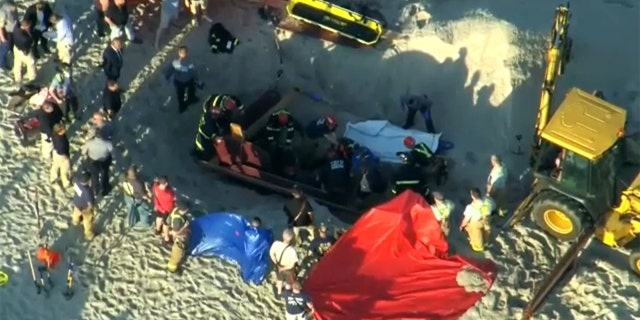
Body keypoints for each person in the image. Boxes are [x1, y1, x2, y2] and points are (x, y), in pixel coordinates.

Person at [163, 46, 201, 113]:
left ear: (179, 53)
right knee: (192, 89)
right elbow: (194, 73)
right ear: (187, 53)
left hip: (178, 82)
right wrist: (197, 80)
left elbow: (169, 71)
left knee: (180, 95)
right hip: (188, 80)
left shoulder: (175, 62)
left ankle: (182, 106)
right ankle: (191, 99)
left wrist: (167, 76)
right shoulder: (190, 63)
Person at [459, 188, 495, 252]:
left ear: (472, 196)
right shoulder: (488, 200)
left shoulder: (470, 207)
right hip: (487, 220)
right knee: (486, 231)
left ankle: (478, 246)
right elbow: (494, 207)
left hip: (477, 223)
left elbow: (466, 219)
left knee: (470, 227)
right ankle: (486, 241)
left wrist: (462, 226)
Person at [82, 127, 114, 196]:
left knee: (94, 175)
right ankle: (105, 189)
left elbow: (83, 152)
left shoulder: (89, 143)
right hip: (104, 161)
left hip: (93, 161)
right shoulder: (108, 143)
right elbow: (112, 152)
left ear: (95, 135)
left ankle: (95, 190)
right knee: (104, 175)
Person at [269, 228, 298, 297]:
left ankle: (279, 293)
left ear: (283, 235)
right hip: (288, 269)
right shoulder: (292, 250)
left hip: (279, 266)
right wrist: (284, 268)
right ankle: (287, 294)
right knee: (288, 283)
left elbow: (271, 254)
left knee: (279, 279)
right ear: (291, 238)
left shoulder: (276, 244)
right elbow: (292, 265)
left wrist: (277, 264)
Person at [167, 201, 191, 273]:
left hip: (180, 236)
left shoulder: (176, 210)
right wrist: (184, 226)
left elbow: (168, 221)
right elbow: (175, 233)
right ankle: (172, 269)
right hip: (179, 239)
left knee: (180, 252)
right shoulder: (177, 221)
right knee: (177, 254)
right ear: (184, 210)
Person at [71, 171, 96, 241]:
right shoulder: (88, 191)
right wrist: (89, 209)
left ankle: (75, 221)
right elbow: (90, 204)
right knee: (87, 220)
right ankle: (89, 234)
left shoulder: (77, 181)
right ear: (88, 181)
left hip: (77, 202)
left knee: (76, 213)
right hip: (84, 207)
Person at [152, 176, 176, 243]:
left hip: (159, 207)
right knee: (166, 224)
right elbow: (174, 199)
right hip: (167, 210)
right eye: (166, 183)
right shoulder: (168, 195)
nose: (167, 184)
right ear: (165, 184)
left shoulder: (155, 187)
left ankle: (157, 230)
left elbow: (154, 185)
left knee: (159, 217)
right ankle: (166, 238)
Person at [12, 19, 35, 86]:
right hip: (24, 52)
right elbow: (31, 43)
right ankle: (32, 78)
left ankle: (17, 78)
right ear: (26, 27)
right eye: (29, 26)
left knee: (17, 63)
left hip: (16, 48)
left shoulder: (15, 29)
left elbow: (17, 23)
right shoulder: (26, 39)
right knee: (31, 63)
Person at [50, 123, 71, 188]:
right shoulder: (60, 140)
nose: (65, 130)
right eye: (63, 129)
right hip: (61, 155)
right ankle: (66, 183)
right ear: (59, 131)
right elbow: (61, 151)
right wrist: (66, 157)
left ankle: (52, 178)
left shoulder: (54, 134)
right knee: (64, 169)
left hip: (55, 152)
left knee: (55, 166)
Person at [0, 1, 18, 70]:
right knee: (5, 48)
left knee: (10, 46)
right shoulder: (3, 13)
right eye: (14, 8)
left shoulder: (13, 8)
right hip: (7, 33)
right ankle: (2, 63)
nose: (15, 9)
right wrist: (3, 38)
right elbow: (0, 27)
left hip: (13, 31)